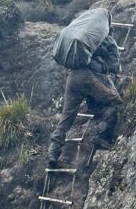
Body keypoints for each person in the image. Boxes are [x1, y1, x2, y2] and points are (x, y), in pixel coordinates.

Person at [47, 23, 122, 167]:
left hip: (72, 77)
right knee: (115, 101)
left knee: (66, 119)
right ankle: (100, 136)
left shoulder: (86, 44)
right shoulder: (107, 41)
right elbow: (113, 66)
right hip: (87, 78)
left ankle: (53, 153)